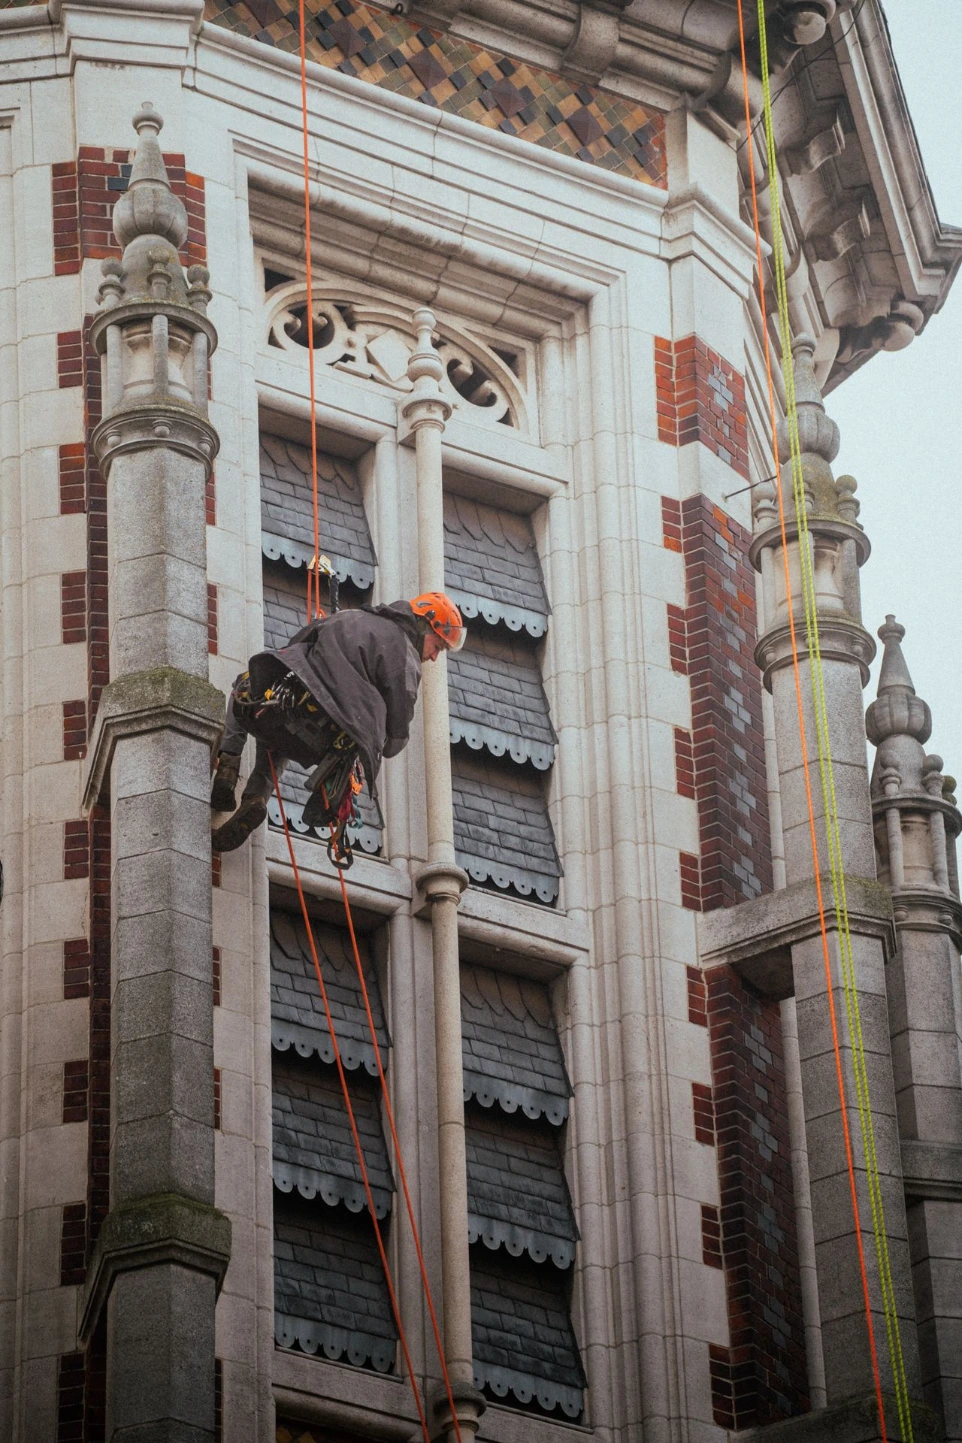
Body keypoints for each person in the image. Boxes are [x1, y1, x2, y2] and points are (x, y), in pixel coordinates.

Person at [211, 592, 465, 853]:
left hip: (292, 706)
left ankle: (229, 763)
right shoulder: (406, 659)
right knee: (280, 743)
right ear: (424, 627)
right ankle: (255, 797)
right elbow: (397, 734)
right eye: (438, 646)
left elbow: (299, 641)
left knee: (247, 687)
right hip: (326, 743)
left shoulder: (350, 616)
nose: (435, 656)